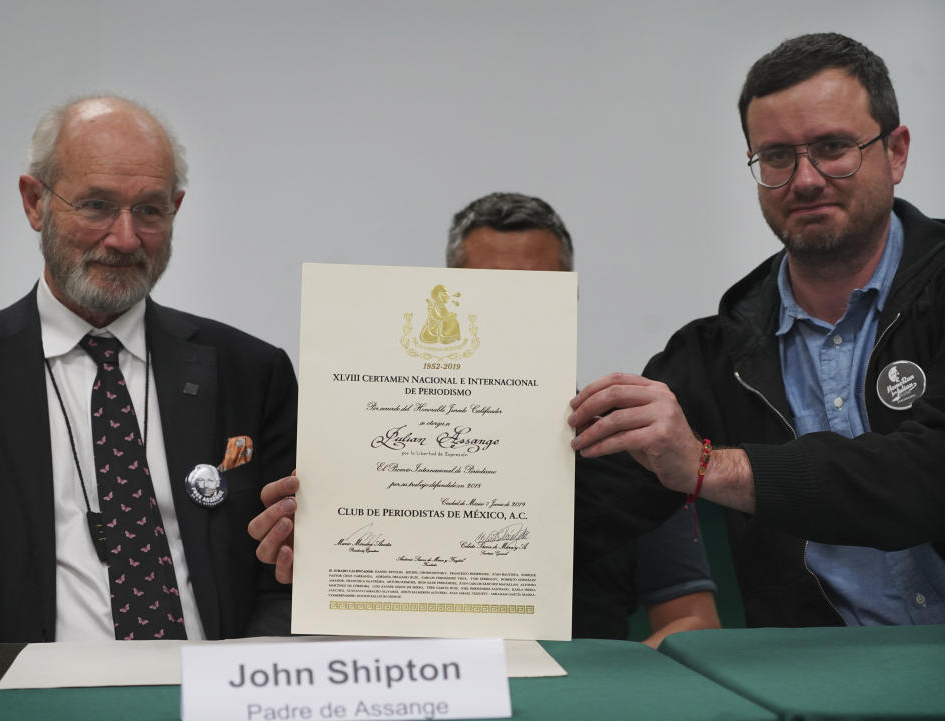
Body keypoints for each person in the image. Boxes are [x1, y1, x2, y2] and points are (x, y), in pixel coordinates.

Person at [568, 33, 945, 627]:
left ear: (896, 152)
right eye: (777, 156)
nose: (806, 179)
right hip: (813, 687)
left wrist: (707, 466)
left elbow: (925, 478)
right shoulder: (716, 353)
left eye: (832, 147)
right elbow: (585, 509)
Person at [251, 192, 718, 647]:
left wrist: (595, 688)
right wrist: (307, 563)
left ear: (569, 299)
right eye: (487, 290)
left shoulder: (624, 441)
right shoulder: (357, 436)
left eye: (532, 291)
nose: (507, 309)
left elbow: (693, 620)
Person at [0, 95, 297, 642]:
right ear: (35, 203)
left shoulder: (253, 372)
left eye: (149, 210)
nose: (125, 239)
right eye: (97, 205)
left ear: (175, 208)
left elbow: (284, 577)